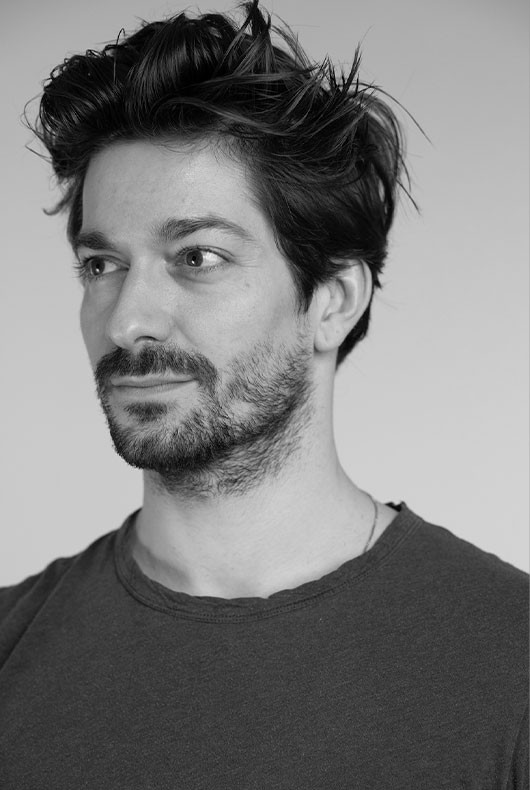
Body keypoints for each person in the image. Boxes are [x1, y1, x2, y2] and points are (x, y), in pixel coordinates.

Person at [0, 1, 527, 786]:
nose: (128, 319)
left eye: (197, 257)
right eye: (101, 266)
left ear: (331, 302)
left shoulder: (511, 660)